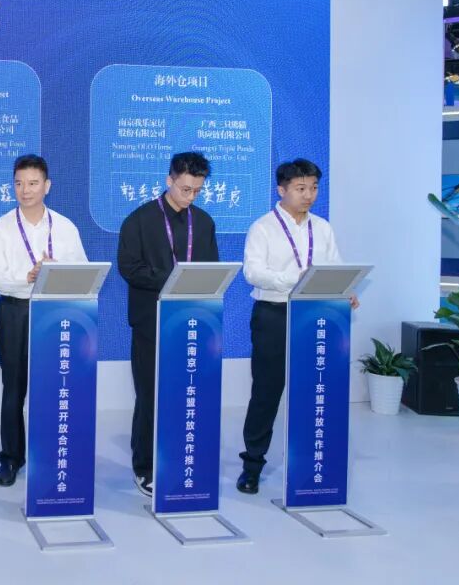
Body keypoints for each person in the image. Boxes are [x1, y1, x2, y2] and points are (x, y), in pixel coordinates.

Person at [235, 159, 358, 495]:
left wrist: (345, 291)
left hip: (316, 316)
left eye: (314, 188)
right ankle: (252, 466)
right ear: (282, 189)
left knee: (314, 389)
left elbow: (334, 267)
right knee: (266, 393)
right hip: (273, 314)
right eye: (301, 188)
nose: (309, 195)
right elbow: (253, 272)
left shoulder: (323, 228)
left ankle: (310, 463)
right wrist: (296, 279)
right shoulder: (263, 227)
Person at [0, 154, 87, 486]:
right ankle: (11, 458)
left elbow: (83, 272)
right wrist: (26, 277)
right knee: (13, 388)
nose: (25, 190)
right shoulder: (1, 227)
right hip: (15, 311)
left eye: (32, 183)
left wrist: (57, 272)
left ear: (47, 186)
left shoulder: (65, 227)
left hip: (55, 313)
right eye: (18, 183)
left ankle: (51, 455)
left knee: (54, 386)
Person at [117, 151, 219, 497]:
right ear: (169, 180)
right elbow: (129, 268)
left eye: (197, 191)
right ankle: (144, 466)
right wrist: (171, 278)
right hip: (151, 322)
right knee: (150, 396)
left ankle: (182, 458)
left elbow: (211, 270)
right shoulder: (139, 220)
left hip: (192, 324)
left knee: (186, 394)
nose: (190, 197)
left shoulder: (203, 222)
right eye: (185, 189)